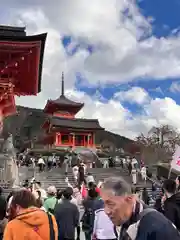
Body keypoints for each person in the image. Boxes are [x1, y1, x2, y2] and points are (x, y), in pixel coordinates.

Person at [100, 176, 180, 240]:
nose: (106, 211)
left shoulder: (158, 227)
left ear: (129, 199)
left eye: (110, 204)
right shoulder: (121, 222)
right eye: (104, 204)